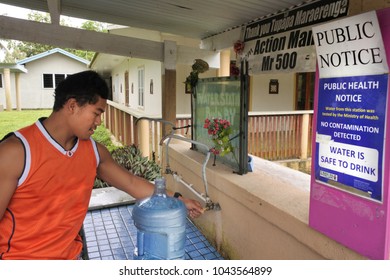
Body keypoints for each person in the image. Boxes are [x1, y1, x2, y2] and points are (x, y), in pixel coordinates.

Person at [0, 70, 203, 260]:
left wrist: (178, 200)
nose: (98, 122)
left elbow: (131, 182)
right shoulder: (16, 152)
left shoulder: (94, 152)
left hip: (72, 257)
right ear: (72, 106)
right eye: (96, 113)